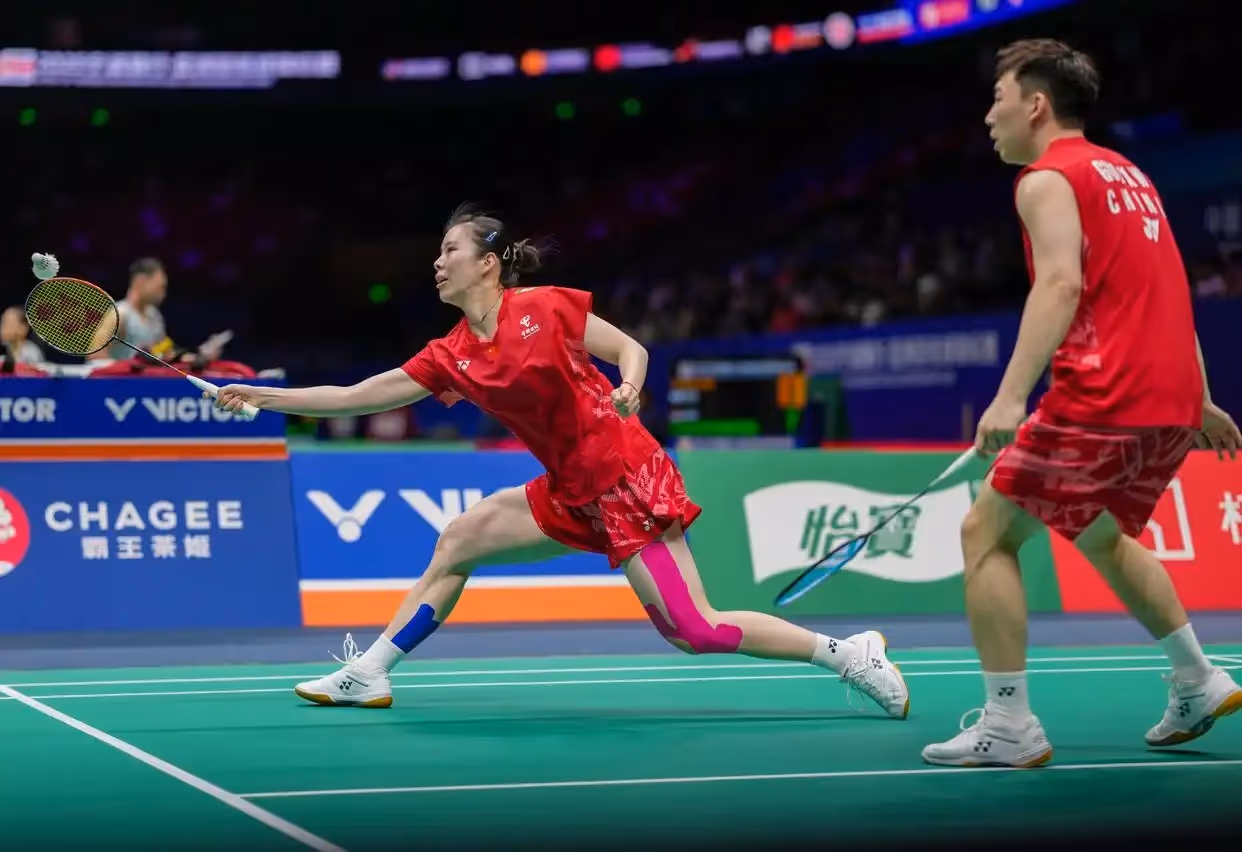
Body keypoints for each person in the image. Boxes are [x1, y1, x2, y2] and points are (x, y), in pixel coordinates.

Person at [210, 203, 910, 719]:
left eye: (450, 250)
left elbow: (630, 348)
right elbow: (356, 396)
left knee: (695, 630)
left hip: (625, 477)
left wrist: (630, 386)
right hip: (570, 490)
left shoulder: (544, 308)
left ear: (487, 263)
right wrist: (262, 397)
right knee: (459, 541)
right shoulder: (451, 352)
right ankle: (370, 672)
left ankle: (849, 654)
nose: (437, 262)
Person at [921, 39, 1242, 768]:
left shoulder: (1045, 178)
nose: (988, 117)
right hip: (1168, 399)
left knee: (985, 534)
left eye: (998, 99)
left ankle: (1009, 723)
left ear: (1036, 105)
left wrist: (1009, 397)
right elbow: (1165, 286)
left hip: (1106, 391)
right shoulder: (1130, 174)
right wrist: (1200, 396)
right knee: (1101, 534)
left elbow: (1061, 283)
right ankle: (1198, 678)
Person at [88, 257, 227, 365]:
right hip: (119, 388)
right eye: (159, 287)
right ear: (141, 281)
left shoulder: (154, 315)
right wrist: (126, 368)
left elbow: (164, 355)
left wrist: (199, 356)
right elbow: (95, 355)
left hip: (147, 386)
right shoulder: (120, 314)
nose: (163, 294)